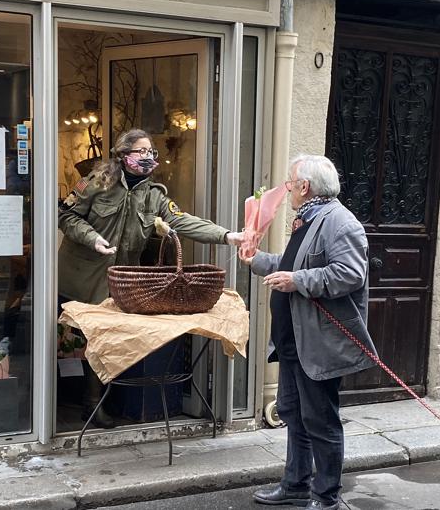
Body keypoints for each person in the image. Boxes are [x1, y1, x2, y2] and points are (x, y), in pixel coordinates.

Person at [58, 128, 242, 427]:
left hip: (120, 278)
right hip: (80, 275)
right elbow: (64, 215)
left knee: (102, 339)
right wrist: (92, 238)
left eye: (151, 152)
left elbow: (183, 221)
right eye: (141, 151)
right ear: (123, 154)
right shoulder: (94, 182)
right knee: (76, 338)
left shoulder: (154, 195)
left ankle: (93, 403)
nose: (148, 157)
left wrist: (227, 236)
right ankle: (66, 399)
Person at [242, 155, 376, 510]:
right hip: (293, 342)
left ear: (305, 187)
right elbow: (291, 266)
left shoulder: (341, 223)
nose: (287, 190)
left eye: (290, 184)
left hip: (318, 343)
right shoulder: (308, 220)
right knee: (293, 413)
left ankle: (326, 495)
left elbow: (349, 275)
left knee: (320, 420)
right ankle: (296, 484)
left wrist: (297, 280)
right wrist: (255, 258)